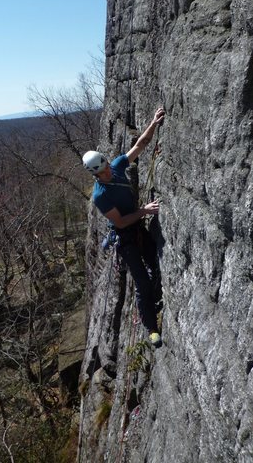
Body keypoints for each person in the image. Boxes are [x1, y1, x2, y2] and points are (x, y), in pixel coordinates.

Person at [82, 108, 165, 347]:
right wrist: (145, 211)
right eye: (102, 170)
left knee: (156, 265)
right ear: (95, 175)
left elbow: (139, 145)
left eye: (107, 165)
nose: (108, 170)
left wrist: (153, 123)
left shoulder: (117, 167)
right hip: (125, 238)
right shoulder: (100, 195)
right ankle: (151, 328)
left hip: (137, 228)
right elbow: (119, 222)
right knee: (142, 282)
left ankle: (152, 302)